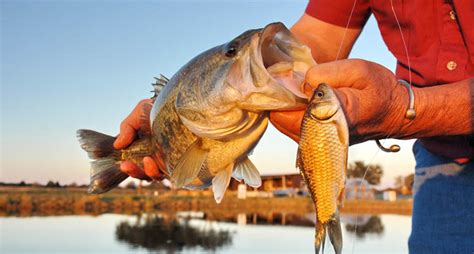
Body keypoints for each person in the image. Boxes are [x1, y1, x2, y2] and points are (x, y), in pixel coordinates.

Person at [114, 1, 474, 252]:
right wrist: (171, 113)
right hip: (443, 158)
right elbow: (313, 44)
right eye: (233, 53)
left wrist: (405, 109)